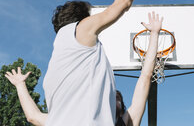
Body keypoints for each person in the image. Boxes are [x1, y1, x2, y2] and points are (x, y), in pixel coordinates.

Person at [37, 0, 151, 126]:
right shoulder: (81, 28)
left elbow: (33, 116)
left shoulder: (57, 60)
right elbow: (123, 3)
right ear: (82, 18)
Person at [5, 12, 163, 126]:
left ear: (122, 107)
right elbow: (33, 116)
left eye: (117, 98)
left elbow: (145, 77)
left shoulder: (127, 121)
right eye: (111, 95)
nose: (112, 98)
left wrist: (154, 34)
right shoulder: (71, 118)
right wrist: (20, 85)